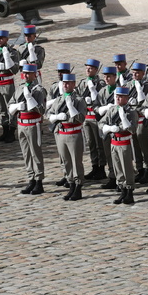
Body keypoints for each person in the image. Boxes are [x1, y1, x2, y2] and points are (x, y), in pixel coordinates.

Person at [46, 72, 86, 200]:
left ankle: (78, 187)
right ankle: (71, 185)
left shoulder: (79, 100)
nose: (65, 85)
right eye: (64, 83)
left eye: (68, 83)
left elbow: (81, 119)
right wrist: (56, 117)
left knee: (76, 162)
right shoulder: (58, 99)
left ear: (74, 84)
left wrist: (71, 107)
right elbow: (49, 114)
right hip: (61, 133)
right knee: (66, 161)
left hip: (74, 133)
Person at [9, 63, 47, 195]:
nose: (25, 75)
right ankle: (31, 178)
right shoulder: (20, 88)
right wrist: (17, 106)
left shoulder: (39, 90)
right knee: (26, 154)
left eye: (28, 73)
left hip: (33, 124)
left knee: (36, 153)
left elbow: (42, 110)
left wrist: (30, 99)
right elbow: (11, 105)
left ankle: (39, 180)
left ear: (34, 74)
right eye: (24, 73)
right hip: (21, 124)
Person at [100, 85, 138, 204]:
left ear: (126, 98)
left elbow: (132, 128)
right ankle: (122, 189)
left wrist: (120, 126)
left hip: (125, 142)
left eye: (121, 96)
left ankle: (129, 191)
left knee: (127, 168)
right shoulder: (112, 110)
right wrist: (108, 128)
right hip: (114, 142)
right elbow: (101, 122)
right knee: (118, 168)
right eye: (117, 96)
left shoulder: (131, 111)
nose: (118, 98)